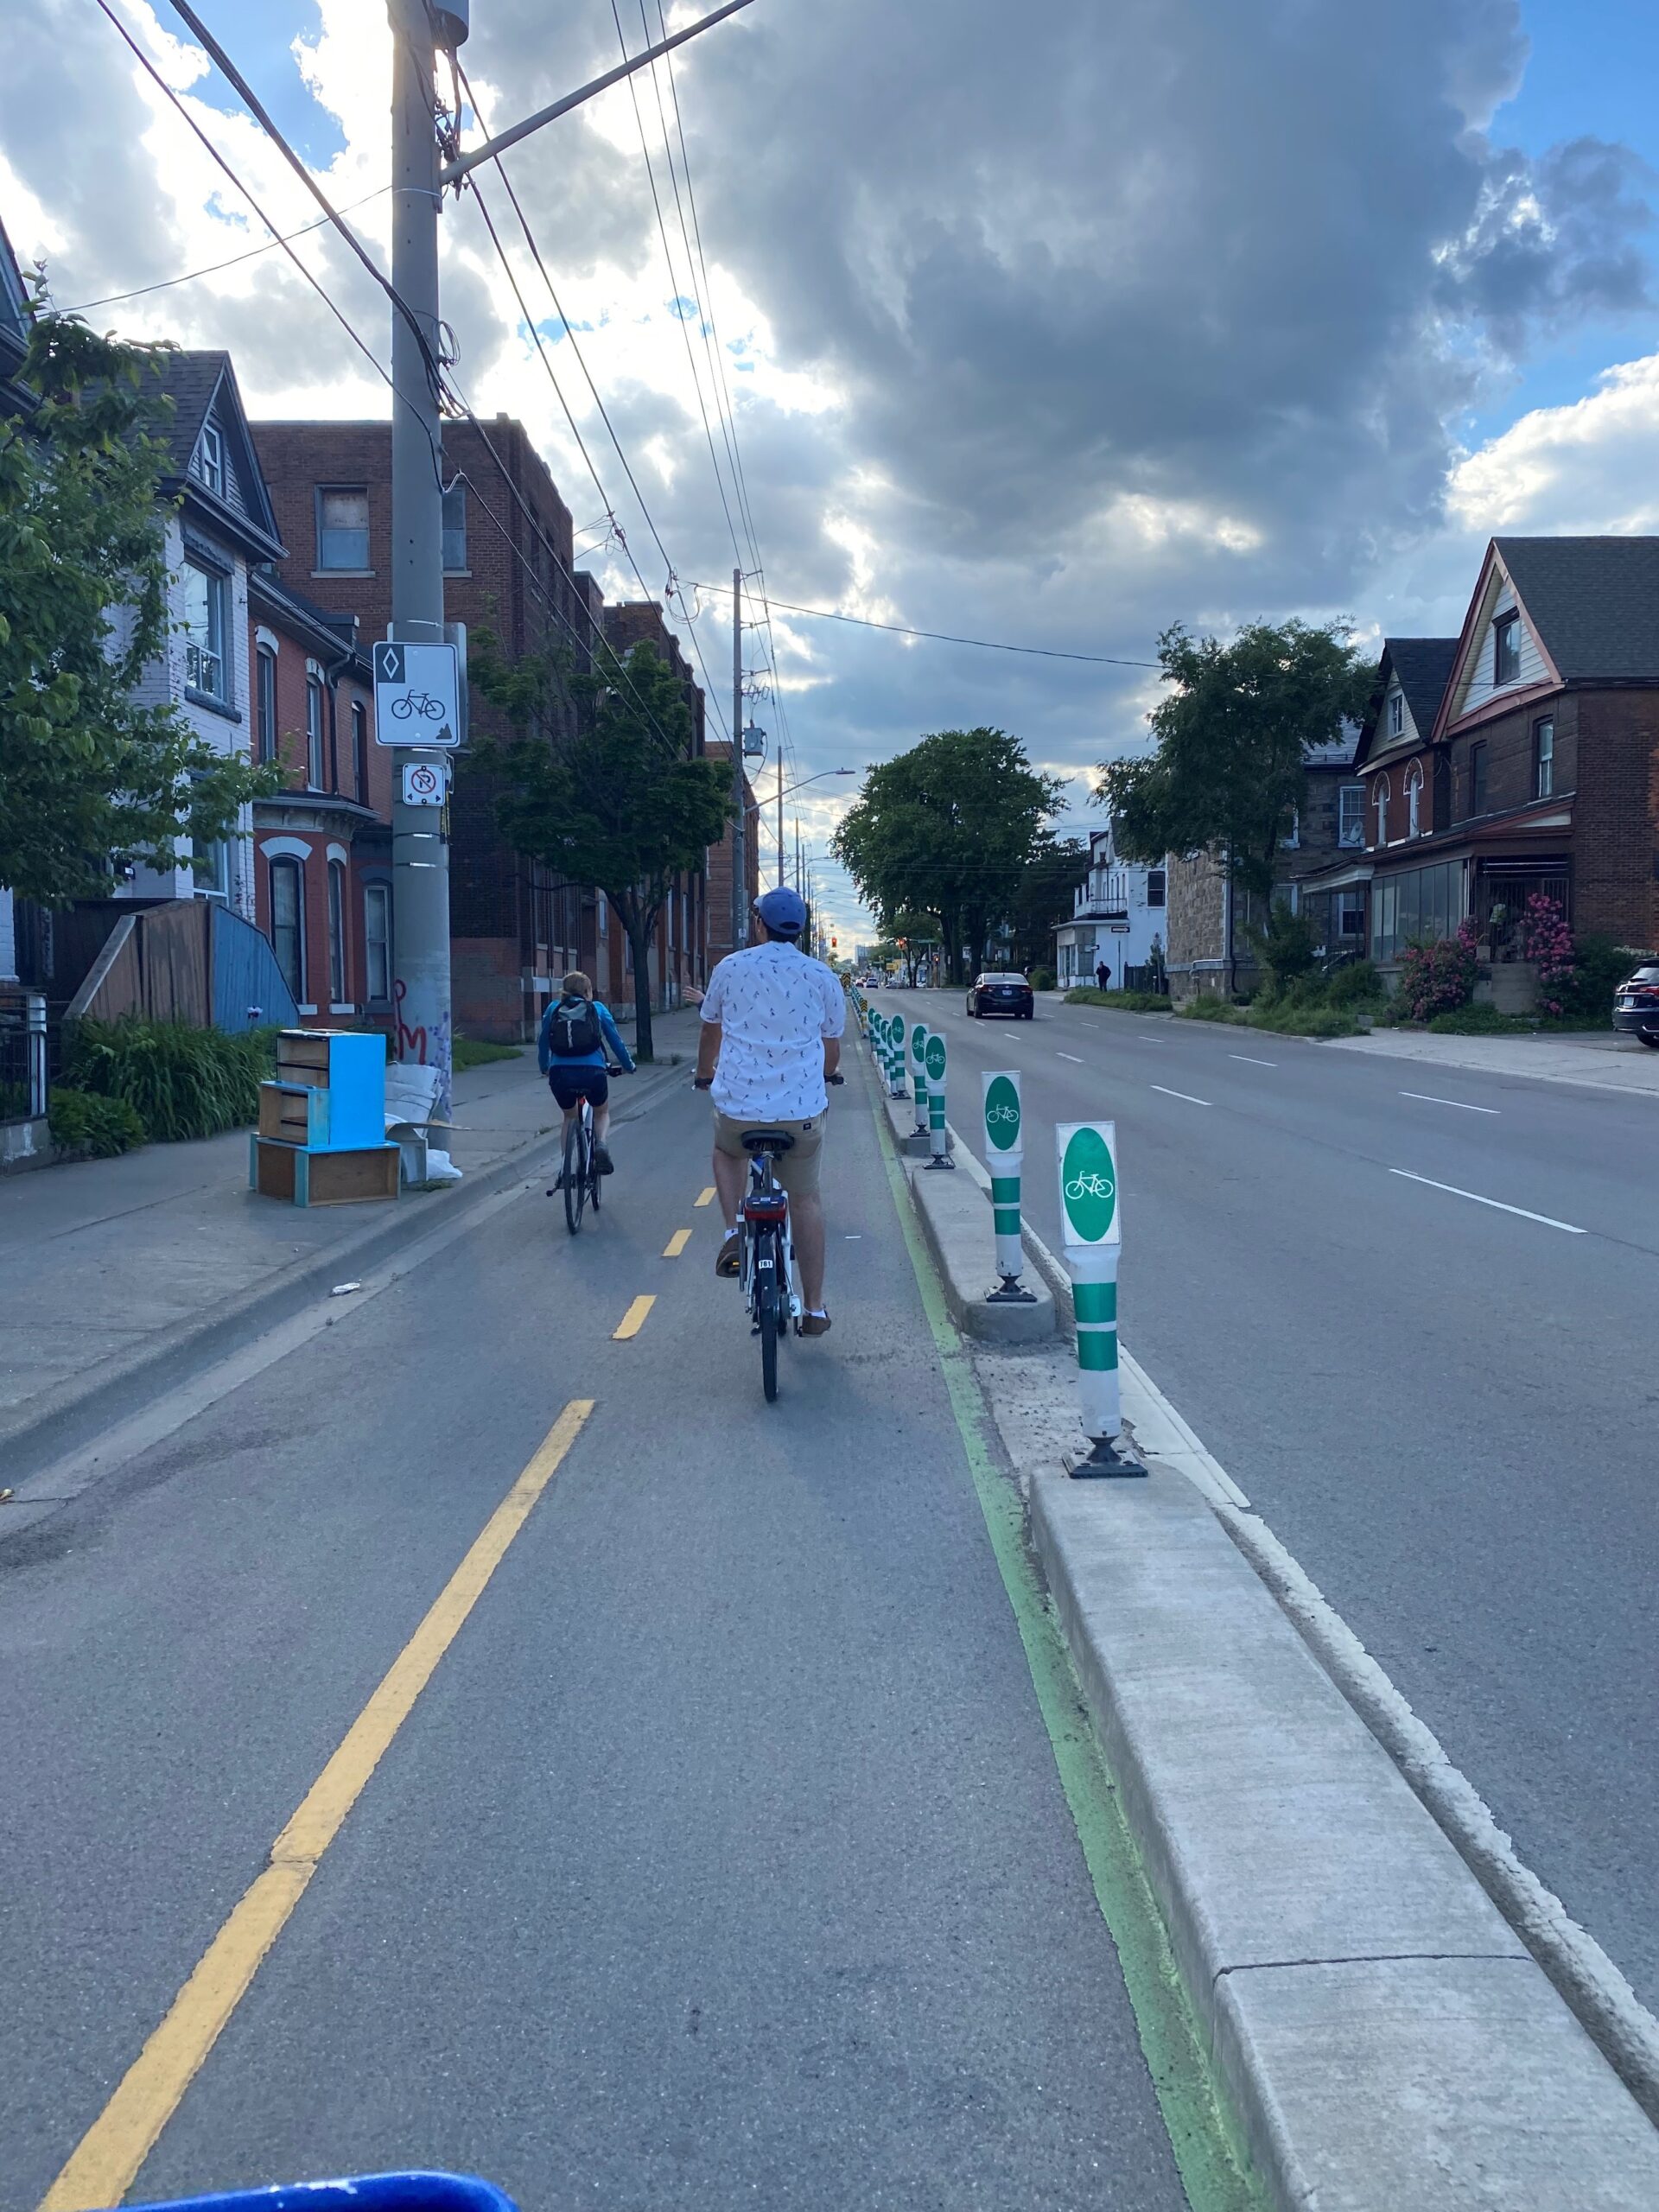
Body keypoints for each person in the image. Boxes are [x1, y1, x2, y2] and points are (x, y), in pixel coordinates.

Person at [694, 886, 844, 1335]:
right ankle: (814, 1309)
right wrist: (823, 1077)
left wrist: (705, 1075)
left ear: (759, 924)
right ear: (800, 929)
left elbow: (710, 1033)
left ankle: (733, 1232)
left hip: (740, 1108)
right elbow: (831, 1051)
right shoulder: (822, 976)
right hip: (799, 1112)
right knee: (805, 1199)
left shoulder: (730, 968)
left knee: (726, 1151)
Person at [537, 971, 634, 1175]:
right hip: (593, 1072)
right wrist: (629, 1065)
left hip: (560, 1074)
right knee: (602, 1111)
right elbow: (615, 1040)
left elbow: (543, 1041)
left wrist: (545, 1066)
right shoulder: (597, 1009)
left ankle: (565, 1169)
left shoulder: (553, 1009)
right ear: (588, 991)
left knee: (569, 1117)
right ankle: (601, 1143)